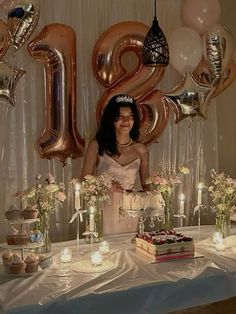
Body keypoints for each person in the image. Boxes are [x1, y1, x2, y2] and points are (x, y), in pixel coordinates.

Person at [81, 94, 149, 234]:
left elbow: (146, 187)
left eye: (130, 116)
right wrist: (105, 184)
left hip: (130, 209)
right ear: (111, 118)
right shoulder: (97, 146)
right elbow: (84, 181)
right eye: (120, 116)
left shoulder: (140, 150)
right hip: (103, 209)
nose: (126, 121)